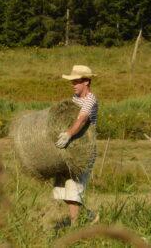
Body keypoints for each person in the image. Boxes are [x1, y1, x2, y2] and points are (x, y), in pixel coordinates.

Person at [54, 65, 98, 226]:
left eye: (77, 81)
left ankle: (75, 226)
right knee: (64, 191)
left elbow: (82, 119)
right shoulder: (74, 100)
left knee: (74, 189)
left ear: (86, 82)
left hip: (84, 151)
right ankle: (89, 215)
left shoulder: (90, 99)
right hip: (71, 149)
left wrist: (68, 134)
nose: (73, 85)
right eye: (72, 82)